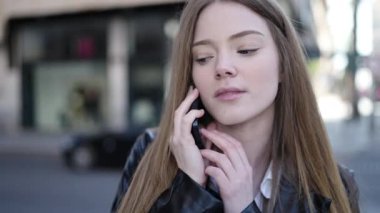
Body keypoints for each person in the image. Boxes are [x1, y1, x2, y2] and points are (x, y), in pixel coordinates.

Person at [111, 0, 360, 212]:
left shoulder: (335, 183)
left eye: (246, 49)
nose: (222, 67)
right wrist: (189, 188)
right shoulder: (150, 152)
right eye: (204, 57)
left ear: (284, 65)